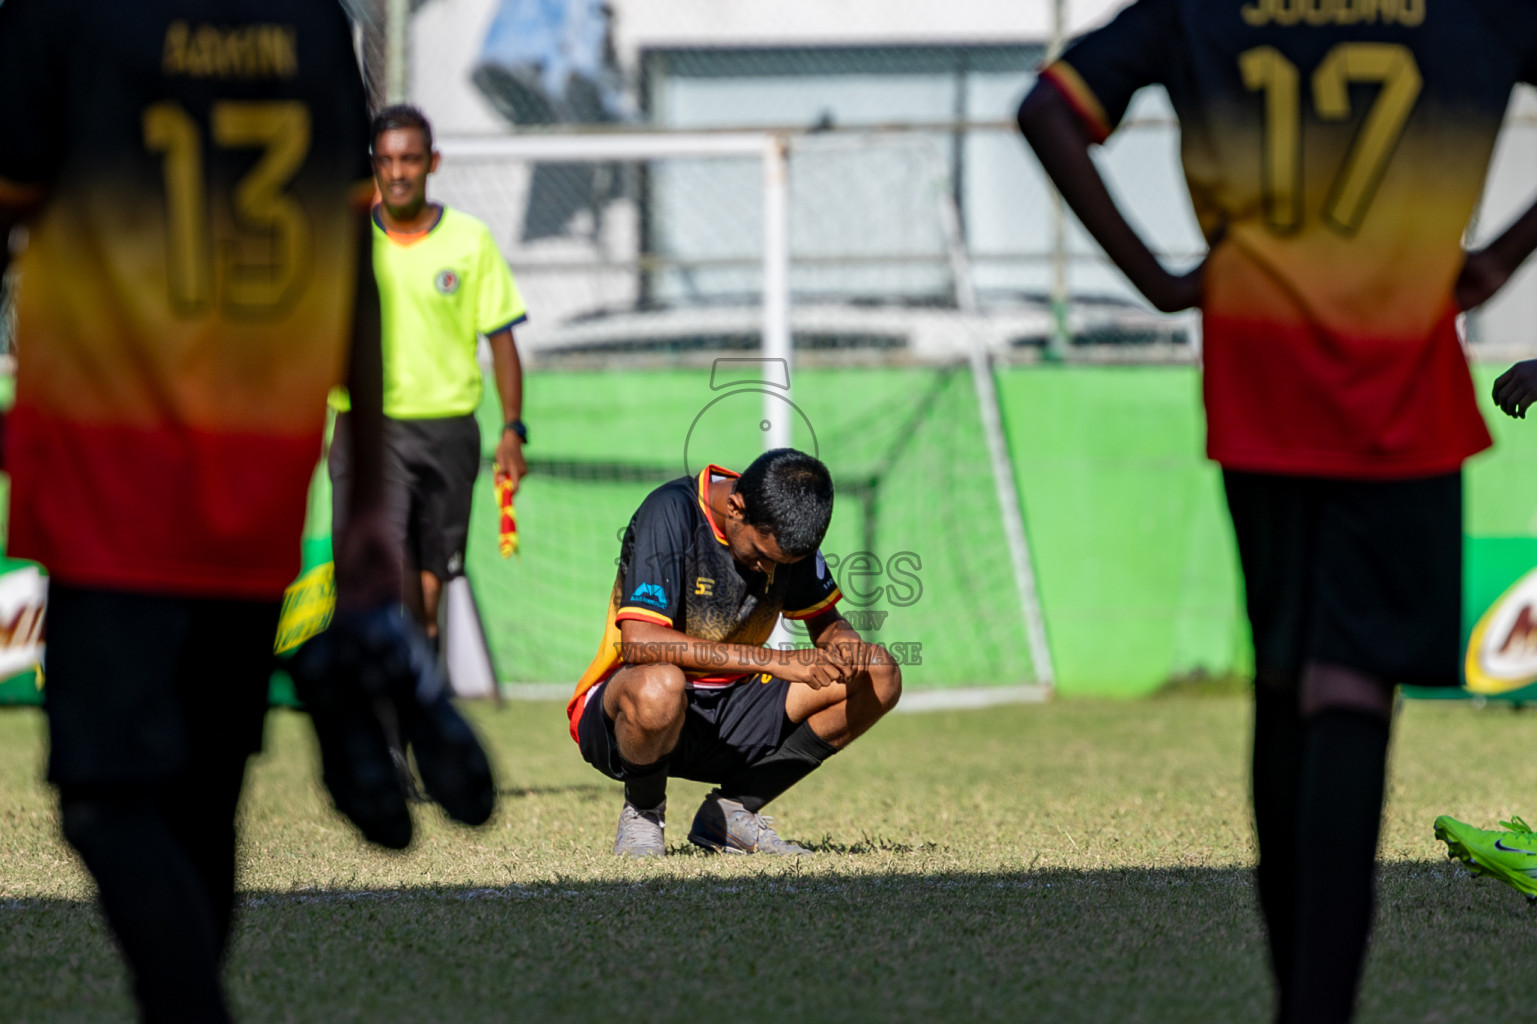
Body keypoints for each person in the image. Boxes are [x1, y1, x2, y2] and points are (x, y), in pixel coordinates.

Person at [1017, 3, 1537, 1020]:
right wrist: (1501, 257)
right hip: (1402, 381)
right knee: (1350, 689)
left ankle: (1297, 999)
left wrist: (1158, 282)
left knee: (1288, 676)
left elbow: (1048, 110)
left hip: (1256, 379)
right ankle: (1318, 1007)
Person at [0, 1, 399, 1020]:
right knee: (199, 794)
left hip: (112, 467)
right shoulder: (313, 23)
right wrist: (364, 495)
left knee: (105, 798)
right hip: (262, 471)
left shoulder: (70, 20)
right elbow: (353, 267)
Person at [568, 449, 902, 856]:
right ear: (735, 507)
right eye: (761, 556)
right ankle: (644, 812)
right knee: (661, 685)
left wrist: (842, 641)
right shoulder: (671, 510)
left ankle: (732, 813)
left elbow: (825, 621)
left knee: (878, 670)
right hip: (632, 714)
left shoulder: (783, 529)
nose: (767, 569)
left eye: (782, 563)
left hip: (733, 711)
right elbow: (641, 641)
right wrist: (778, 662)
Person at [329, 103, 529, 649]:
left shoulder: (469, 241)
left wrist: (513, 429)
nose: (398, 173)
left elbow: (502, 339)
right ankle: (387, 727)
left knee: (428, 594)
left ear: (432, 162)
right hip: (368, 428)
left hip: (447, 434)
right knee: (386, 580)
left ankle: (418, 700)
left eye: (411, 160)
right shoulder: (343, 241)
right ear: (373, 165)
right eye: (387, 161)